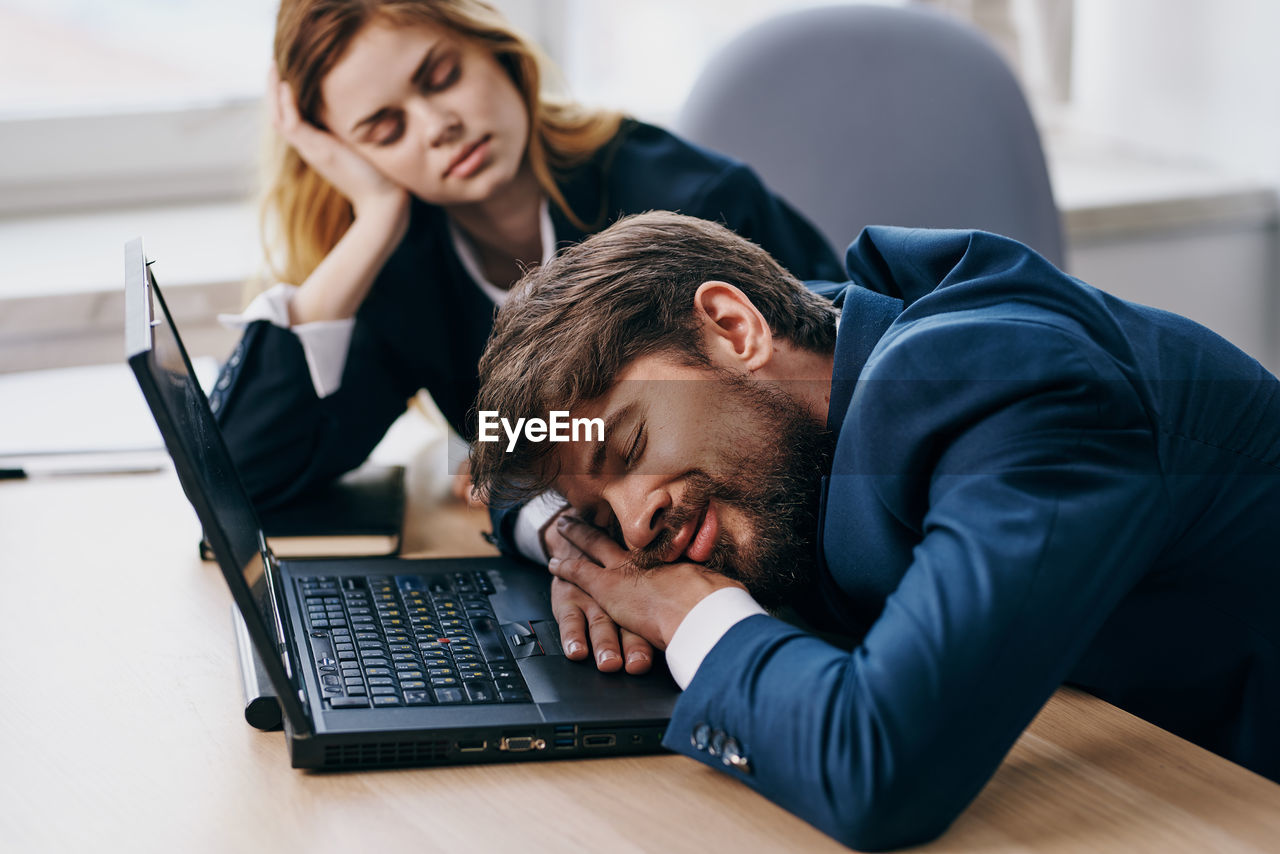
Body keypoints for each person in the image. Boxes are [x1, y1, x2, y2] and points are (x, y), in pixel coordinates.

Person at [468, 211, 1280, 850]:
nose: (637, 525)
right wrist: (570, 543)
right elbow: (499, 470)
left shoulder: (1001, 380)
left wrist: (685, 614)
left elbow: (883, 766)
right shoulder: (810, 347)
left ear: (732, 327)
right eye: (605, 512)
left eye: (629, 447)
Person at [208, 0, 843, 636]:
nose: (438, 126)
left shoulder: (689, 199)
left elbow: (827, 395)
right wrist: (373, 215)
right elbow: (235, 475)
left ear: (496, 50)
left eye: (440, 76)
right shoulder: (406, 274)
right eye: (383, 129)